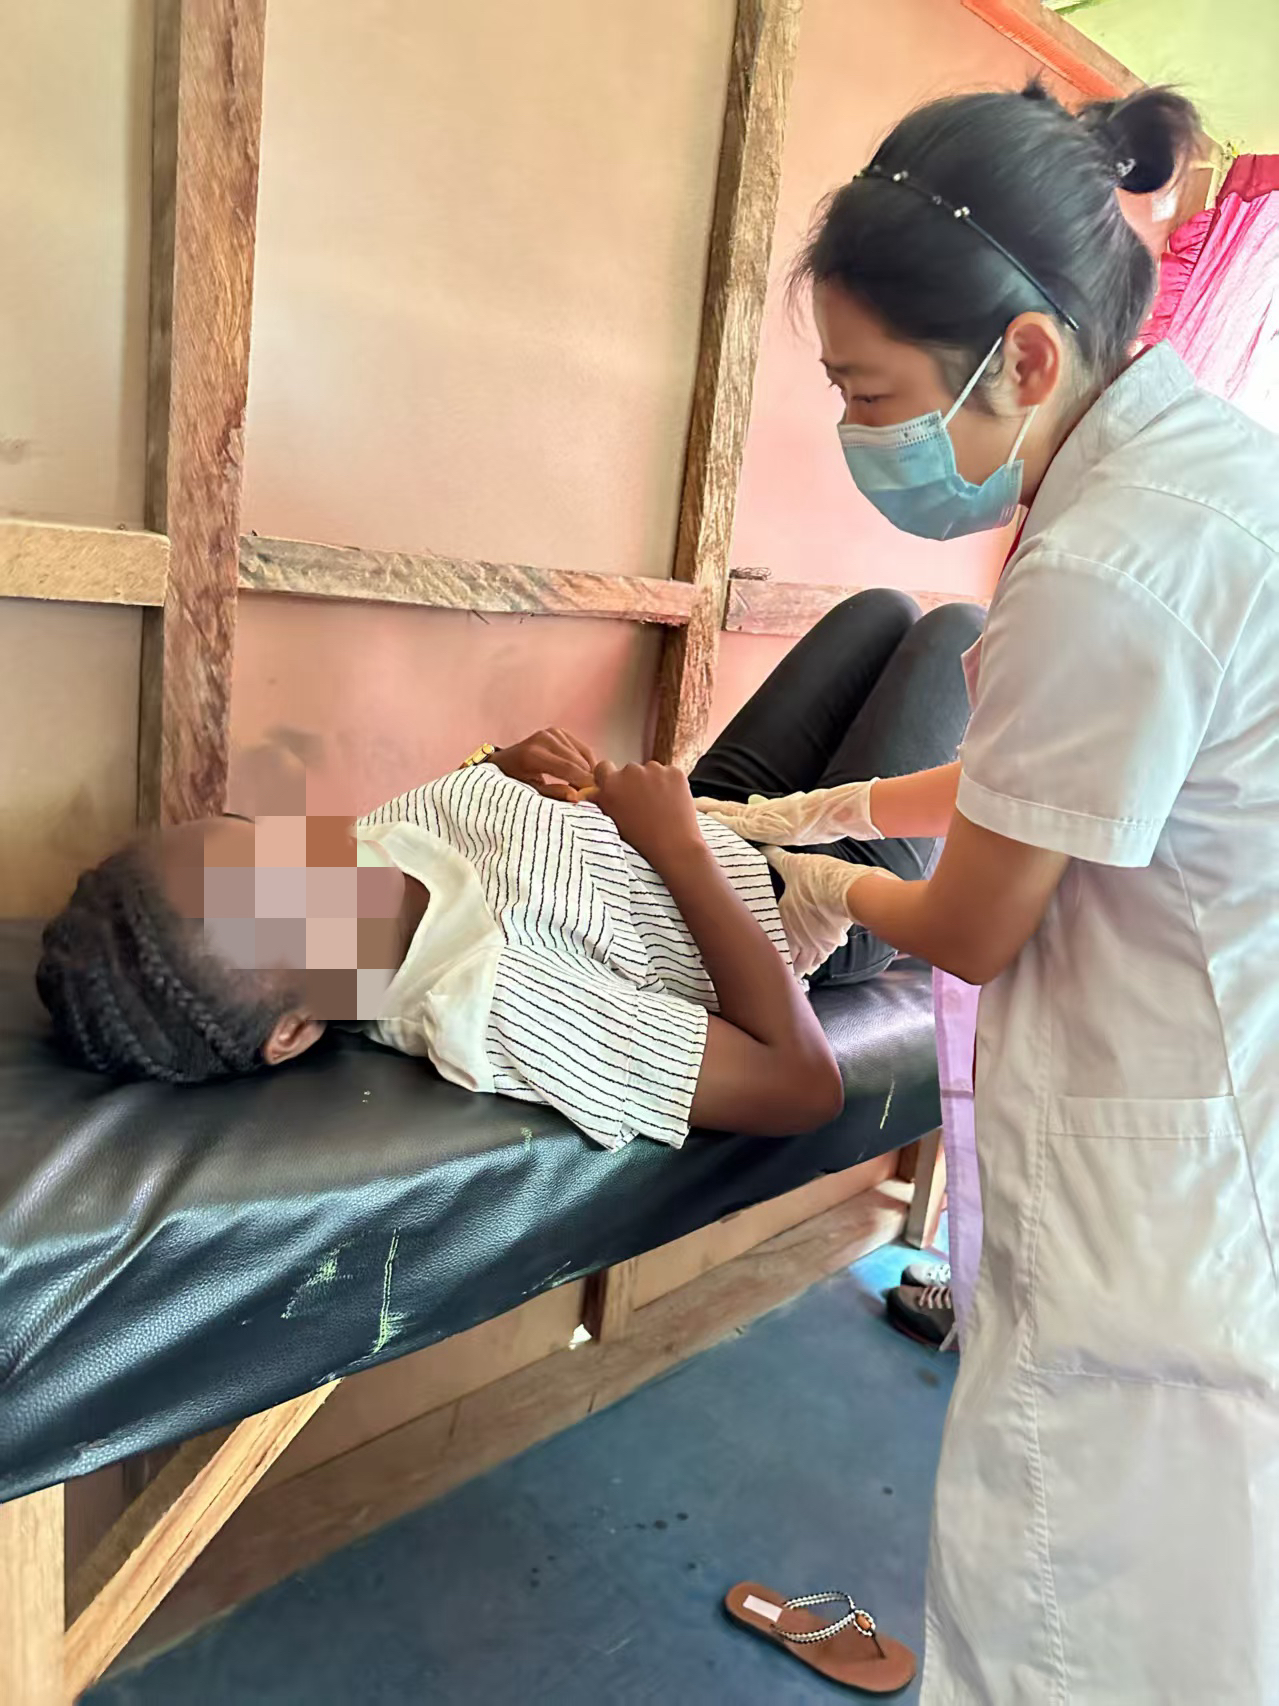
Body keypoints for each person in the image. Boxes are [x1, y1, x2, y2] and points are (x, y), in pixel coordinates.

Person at [697, 81, 1279, 1704]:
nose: (856, 431)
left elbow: (968, 918)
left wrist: (783, 864)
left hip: (1160, 1168)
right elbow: (1040, 770)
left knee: (1065, 1613)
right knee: (916, 637)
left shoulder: (1106, 559)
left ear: (1022, 355)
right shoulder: (1183, 478)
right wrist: (801, 817)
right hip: (1188, 1098)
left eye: (865, 392)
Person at [35, 592, 977, 1150]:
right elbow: (798, 1088)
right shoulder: (492, 1001)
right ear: (293, 1029)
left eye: (248, 833)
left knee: (880, 614)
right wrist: (678, 852)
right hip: (805, 898)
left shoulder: (357, 862)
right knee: (957, 636)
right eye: (286, 901)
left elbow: (446, 819)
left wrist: (503, 766)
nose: (307, 855)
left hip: (711, 813)